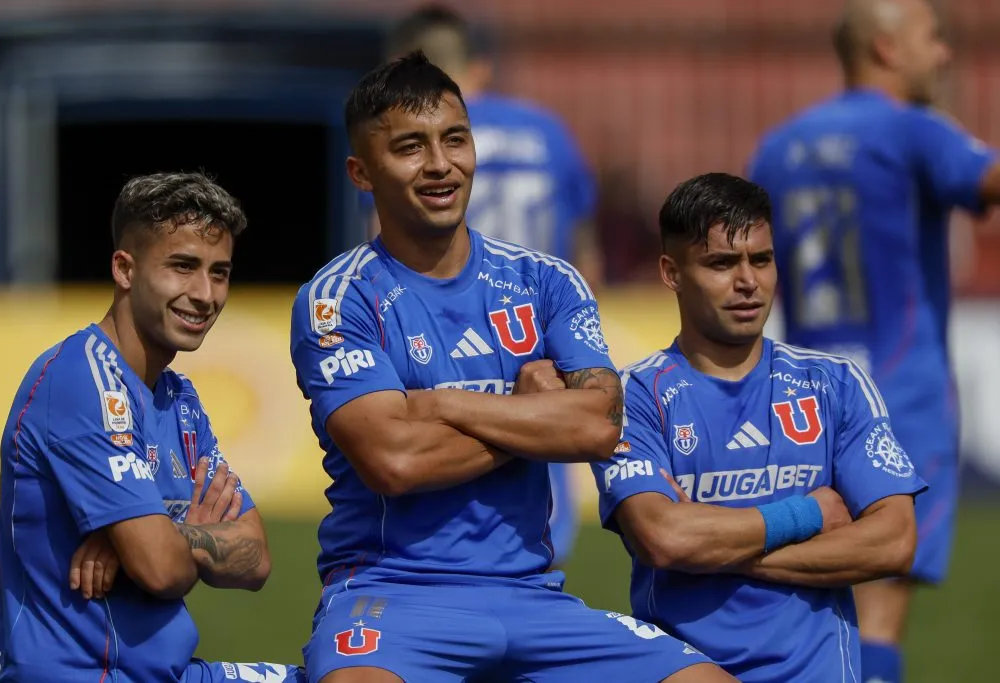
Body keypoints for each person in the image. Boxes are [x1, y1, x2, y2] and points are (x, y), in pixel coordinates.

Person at [289, 52, 734, 683]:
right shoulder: (338, 298)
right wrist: (531, 419)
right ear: (362, 172)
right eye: (411, 147)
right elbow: (396, 461)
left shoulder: (545, 281)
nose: (440, 164)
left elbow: (601, 425)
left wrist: (442, 405)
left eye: (455, 140)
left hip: (534, 598)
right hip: (392, 594)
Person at [748, 1, 1000, 680]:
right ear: (887, 48)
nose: (945, 56)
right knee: (882, 599)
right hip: (900, 395)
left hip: (807, 400)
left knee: (818, 601)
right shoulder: (914, 129)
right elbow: (988, 179)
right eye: (933, 39)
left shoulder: (779, 145)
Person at [592, 172, 926, 682]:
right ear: (671, 272)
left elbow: (894, 542)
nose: (748, 281)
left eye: (761, 260)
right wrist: (808, 512)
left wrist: (722, 548)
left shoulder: (832, 384)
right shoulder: (634, 398)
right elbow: (664, 539)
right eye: (721, 263)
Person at [0, 172, 305, 683]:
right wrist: (171, 546)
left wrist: (163, 535)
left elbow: (256, 559)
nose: (205, 294)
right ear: (125, 269)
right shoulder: (80, 381)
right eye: (183, 267)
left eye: (219, 272)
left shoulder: (180, 399)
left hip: (169, 671)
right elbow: (164, 572)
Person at [368, 4, 603, 564]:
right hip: (537, 333)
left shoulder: (399, 140)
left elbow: (377, 241)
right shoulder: (546, 130)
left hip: (436, 321)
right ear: (481, 65)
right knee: (539, 514)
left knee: (432, 480)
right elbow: (586, 252)